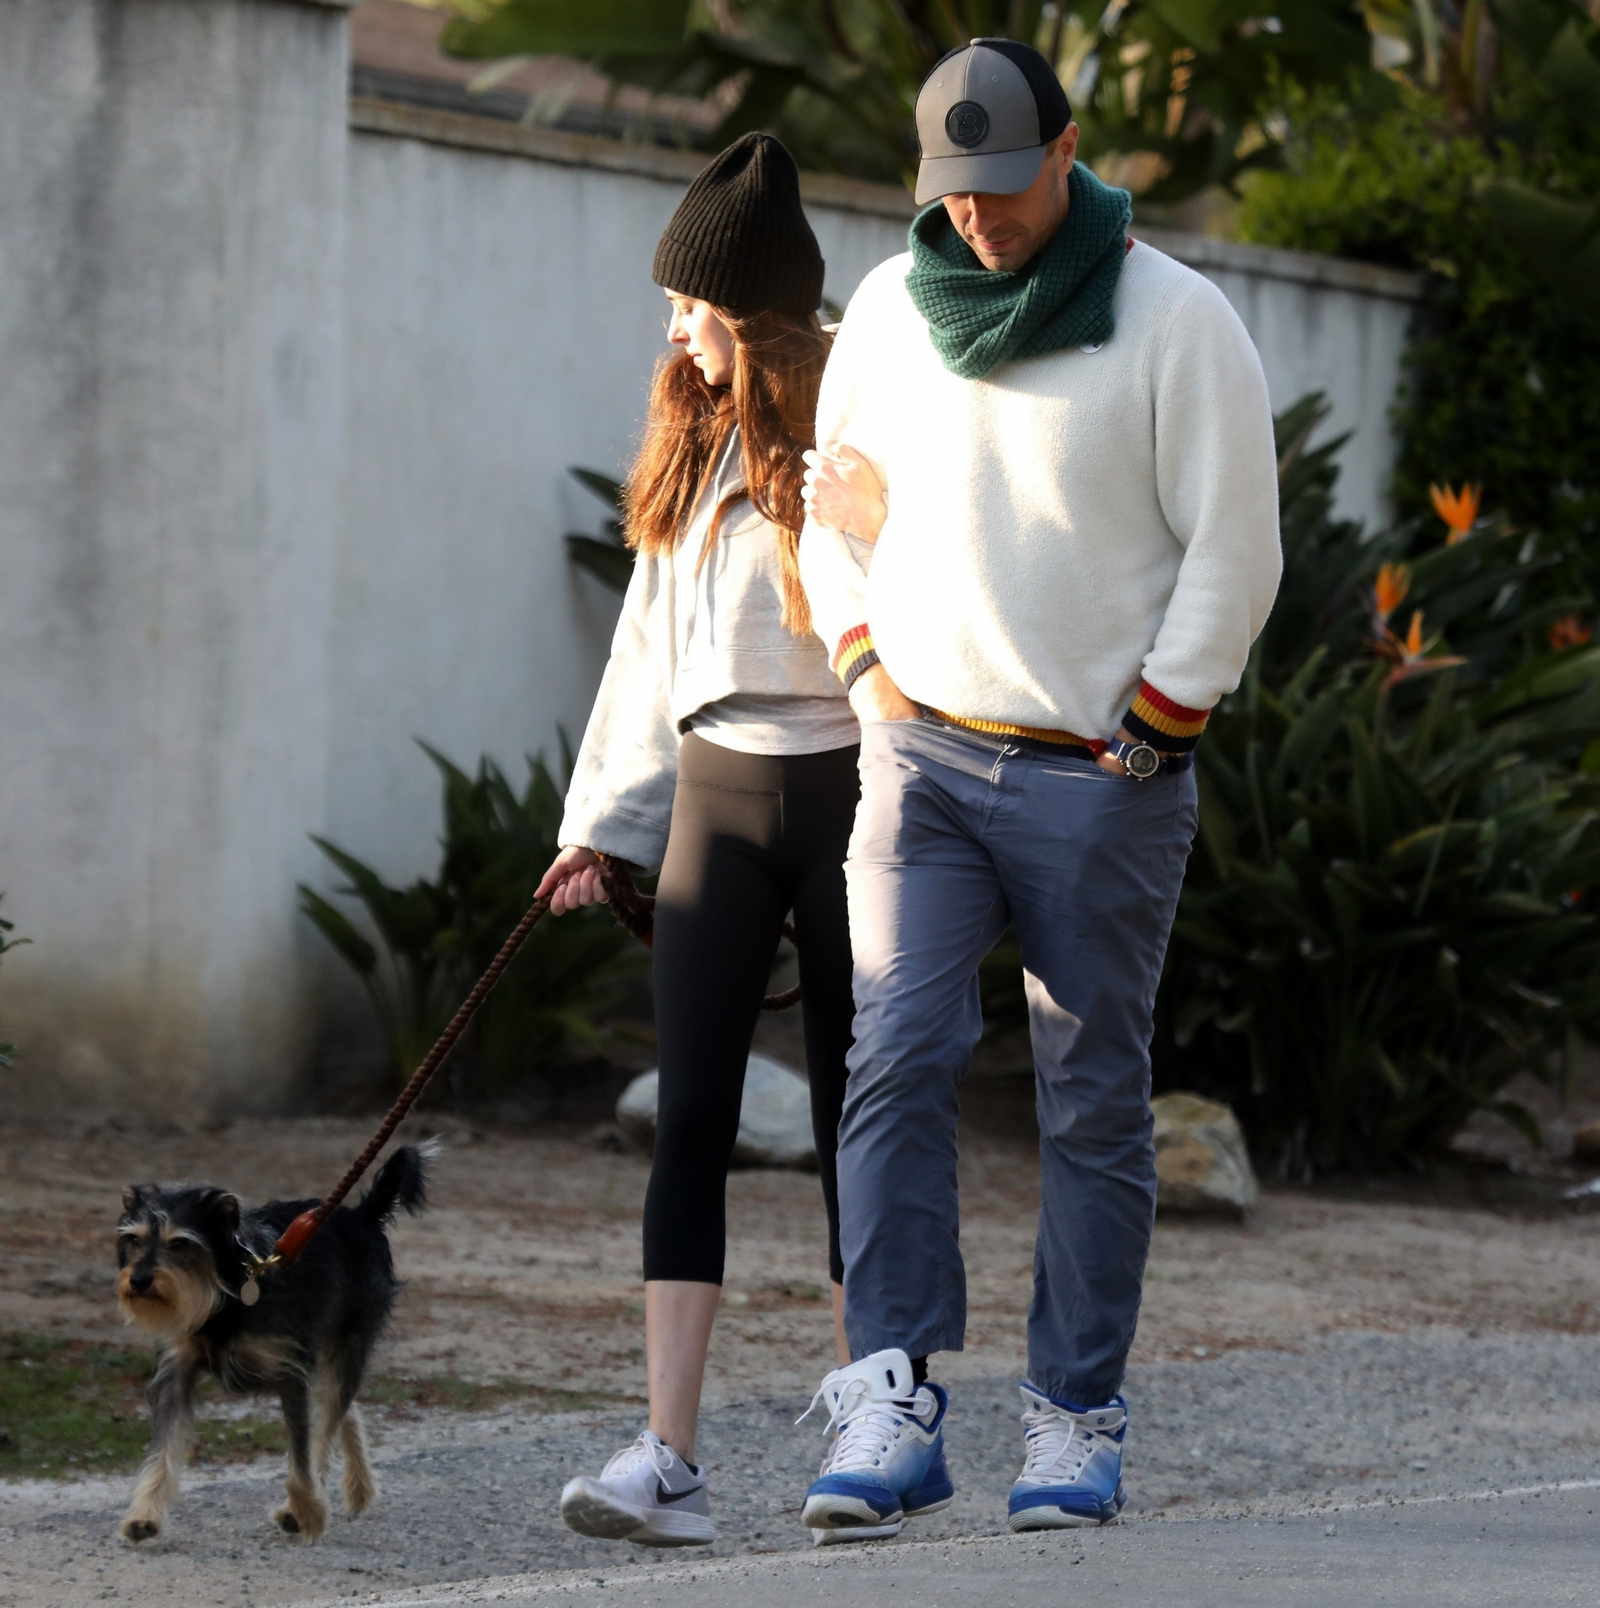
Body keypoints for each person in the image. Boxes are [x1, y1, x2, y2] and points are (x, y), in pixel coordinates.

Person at [793, 38, 1282, 1540]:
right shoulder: (887, 308)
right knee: (896, 1053)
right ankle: (892, 1392)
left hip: (1101, 777)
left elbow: (1238, 548)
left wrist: (1163, 713)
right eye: (956, 193)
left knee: (1088, 1099)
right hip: (922, 756)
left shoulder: (1172, 320)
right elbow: (829, 510)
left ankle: (1074, 1418)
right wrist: (867, 670)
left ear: (1068, 153)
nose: (982, 220)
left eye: (1006, 188)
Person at [536, 132, 860, 1549]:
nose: (673, 332)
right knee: (692, 1123)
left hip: (861, 791)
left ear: (753, 311)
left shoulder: (859, 438)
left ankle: (872, 1430)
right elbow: (641, 656)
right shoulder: (685, 451)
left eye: (692, 307)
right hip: (716, 793)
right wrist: (600, 830)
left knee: (870, 1118)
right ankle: (667, 1455)